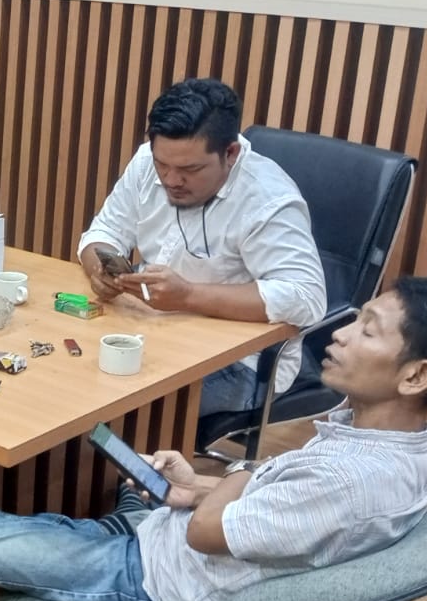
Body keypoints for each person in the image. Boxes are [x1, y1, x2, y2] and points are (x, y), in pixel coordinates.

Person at [0, 277, 427, 601]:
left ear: (416, 375)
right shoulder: (407, 450)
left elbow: (205, 532)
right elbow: (288, 508)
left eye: (367, 330)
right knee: (139, 485)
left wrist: (235, 472)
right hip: (187, 548)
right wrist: (198, 489)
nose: (341, 335)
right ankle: (108, 530)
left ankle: (100, 543)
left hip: (163, 584)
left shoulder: (348, 479)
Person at [77, 78, 327, 416]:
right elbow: (103, 232)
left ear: (230, 153)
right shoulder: (147, 162)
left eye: (189, 169)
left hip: (239, 363)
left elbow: (306, 296)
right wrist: (101, 271)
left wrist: (188, 296)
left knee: (113, 403)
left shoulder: (268, 199)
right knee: (66, 373)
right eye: (162, 165)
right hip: (150, 328)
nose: (171, 180)